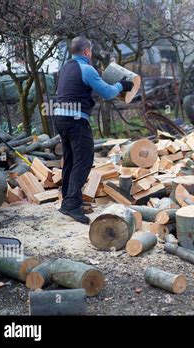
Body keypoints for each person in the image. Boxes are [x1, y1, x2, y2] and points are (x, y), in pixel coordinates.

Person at [53, 36, 134, 224]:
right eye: (90, 52)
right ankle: (71, 204)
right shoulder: (86, 69)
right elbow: (107, 93)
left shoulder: (66, 67)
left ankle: (69, 198)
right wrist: (123, 85)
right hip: (75, 120)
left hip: (60, 118)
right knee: (84, 160)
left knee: (71, 159)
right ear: (87, 52)